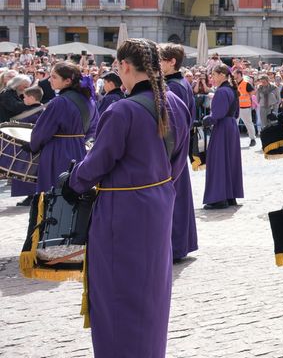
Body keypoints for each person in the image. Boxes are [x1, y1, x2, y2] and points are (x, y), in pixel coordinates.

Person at [63, 38, 190, 357]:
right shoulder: (176, 103)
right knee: (150, 293)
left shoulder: (122, 110)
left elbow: (98, 163)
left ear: (125, 67)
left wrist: (72, 180)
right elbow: (178, 160)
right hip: (159, 203)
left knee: (117, 293)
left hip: (122, 211)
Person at [29, 62, 95, 195]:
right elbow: (93, 128)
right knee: (74, 194)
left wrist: (33, 146)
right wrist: (78, 140)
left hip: (56, 152)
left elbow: (42, 131)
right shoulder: (89, 101)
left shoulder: (59, 102)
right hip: (80, 150)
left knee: (53, 192)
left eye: (54, 77)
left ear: (67, 81)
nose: (49, 80)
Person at [159, 43, 199, 262]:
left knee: (175, 199)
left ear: (172, 62)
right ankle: (180, 244)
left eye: (162, 60)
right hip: (179, 145)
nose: (158, 65)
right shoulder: (180, 83)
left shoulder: (173, 87)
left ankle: (175, 246)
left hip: (173, 146)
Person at [203, 64, 244, 210]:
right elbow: (236, 113)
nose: (211, 78)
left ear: (221, 75)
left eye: (213, 75)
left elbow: (217, 115)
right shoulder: (232, 90)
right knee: (230, 161)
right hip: (231, 127)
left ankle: (218, 198)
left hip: (222, 128)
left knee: (218, 161)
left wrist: (206, 119)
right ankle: (229, 196)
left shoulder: (222, 91)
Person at [233, 69, 257, 147]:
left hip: (245, 107)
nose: (234, 75)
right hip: (235, 107)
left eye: (235, 73)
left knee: (248, 123)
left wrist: (247, 96)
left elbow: (253, 92)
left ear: (239, 74)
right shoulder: (234, 83)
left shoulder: (246, 83)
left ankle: (252, 139)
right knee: (234, 124)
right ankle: (234, 140)